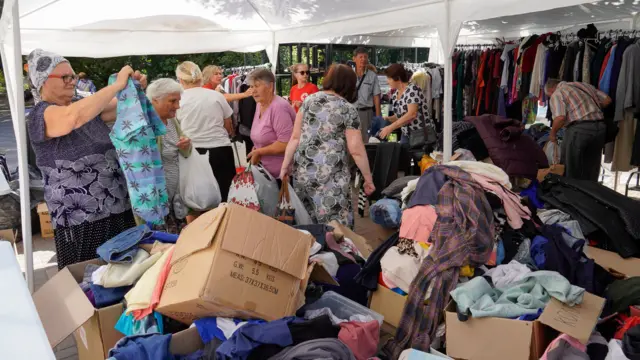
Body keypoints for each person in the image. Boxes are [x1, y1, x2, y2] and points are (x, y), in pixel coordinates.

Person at [26, 49, 141, 269]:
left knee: (123, 273)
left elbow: (125, 107)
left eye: (73, 77)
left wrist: (133, 88)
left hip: (117, 208)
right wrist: (116, 85)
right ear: (43, 82)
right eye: (64, 77)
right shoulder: (41, 115)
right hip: (81, 221)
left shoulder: (84, 106)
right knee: (89, 280)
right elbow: (72, 118)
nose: (72, 82)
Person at [280, 64, 375, 227]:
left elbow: (295, 137)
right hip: (331, 175)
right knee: (335, 228)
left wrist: (284, 167)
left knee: (306, 224)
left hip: (304, 172)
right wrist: (368, 179)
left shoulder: (309, 101)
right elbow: (356, 150)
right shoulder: (348, 109)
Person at [175, 61, 236, 201]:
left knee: (197, 199)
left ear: (180, 80)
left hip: (193, 151)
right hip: (220, 149)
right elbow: (228, 124)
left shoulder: (179, 100)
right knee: (226, 196)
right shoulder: (216, 96)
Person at [146, 78, 194, 232]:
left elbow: (184, 149)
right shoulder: (146, 125)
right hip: (157, 199)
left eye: (178, 101)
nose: (177, 106)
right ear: (155, 100)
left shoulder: (171, 121)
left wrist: (186, 144)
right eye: (172, 101)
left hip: (175, 196)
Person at [545, 79, 612, 181]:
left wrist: (552, 133)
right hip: (600, 128)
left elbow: (560, 118)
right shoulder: (584, 86)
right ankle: (590, 193)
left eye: (549, 95)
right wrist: (590, 110)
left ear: (551, 89)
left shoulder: (558, 93)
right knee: (591, 168)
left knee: (571, 168)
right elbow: (607, 100)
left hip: (579, 130)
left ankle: (572, 194)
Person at [247, 68, 296, 178]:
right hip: (265, 172)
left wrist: (259, 152)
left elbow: (285, 143)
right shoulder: (260, 104)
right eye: (251, 86)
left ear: (270, 87)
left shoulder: (279, 107)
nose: (253, 91)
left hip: (282, 175)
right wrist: (256, 150)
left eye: (257, 86)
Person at [380, 64, 430, 144]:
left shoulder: (412, 90)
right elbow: (401, 116)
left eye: (389, 78)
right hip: (406, 134)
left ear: (398, 78)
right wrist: (389, 119)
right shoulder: (395, 94)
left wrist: (391, 127)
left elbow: (412, 114)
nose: (387, 81)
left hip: (420, 134)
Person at [353, 46, 382, 143]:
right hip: (351, 112)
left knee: (366, 140)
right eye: (360, 57)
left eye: (365, 57)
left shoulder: (372, 75)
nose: (363, 59)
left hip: (366, 113)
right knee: (352, 140)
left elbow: (376, 97)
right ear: (354, 58)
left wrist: (378, 117)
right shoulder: (349, 74)